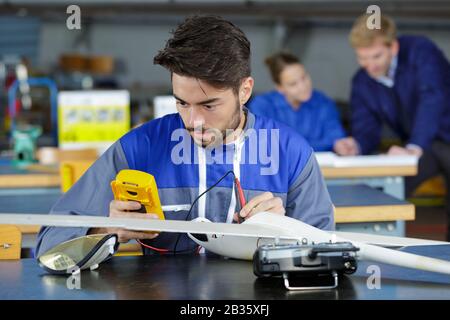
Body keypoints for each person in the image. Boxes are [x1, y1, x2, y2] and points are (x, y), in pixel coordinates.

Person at [36, 15, 334, 257]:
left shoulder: (291, 153)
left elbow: (329, 254)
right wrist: (106, 232)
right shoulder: (140, 149)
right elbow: (49, 244)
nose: (193, 121)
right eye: (182, 103)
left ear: (244, 90)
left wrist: (285, 232)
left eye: (209, 105)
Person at [334, 14, 450, 240]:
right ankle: (376, 248)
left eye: (376, 56)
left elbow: (432, 97)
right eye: (362, 58)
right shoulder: (362, 81)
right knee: (386, 192)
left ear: (393, 47)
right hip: (423, 145)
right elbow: (366, 126)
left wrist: (415, 145)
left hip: (434, 137)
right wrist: (356, 144)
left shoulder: (421, 52)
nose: (370, 65)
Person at [248, 52, 346, 152]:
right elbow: (267, 146)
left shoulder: (323, 102)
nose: (303, 87)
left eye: (304, 78)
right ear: (280, 88)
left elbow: (337, 139)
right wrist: (325, 144)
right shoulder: (262, 105)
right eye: (293, 84)